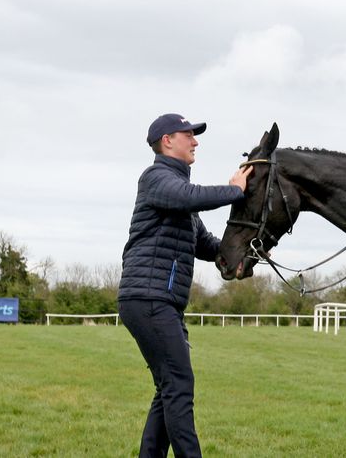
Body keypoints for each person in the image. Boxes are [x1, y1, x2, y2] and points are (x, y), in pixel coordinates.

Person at [117, 113, 252, 457]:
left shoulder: (181, 200)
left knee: (168, 388)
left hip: (160, 301)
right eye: (188, 135)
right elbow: (192, 195)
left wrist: (239, 254)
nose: (195, 142)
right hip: (148, 299)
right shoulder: (156, 178)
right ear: (167, 141)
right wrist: (235, 190)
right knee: (178, 384)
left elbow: (205, 244)